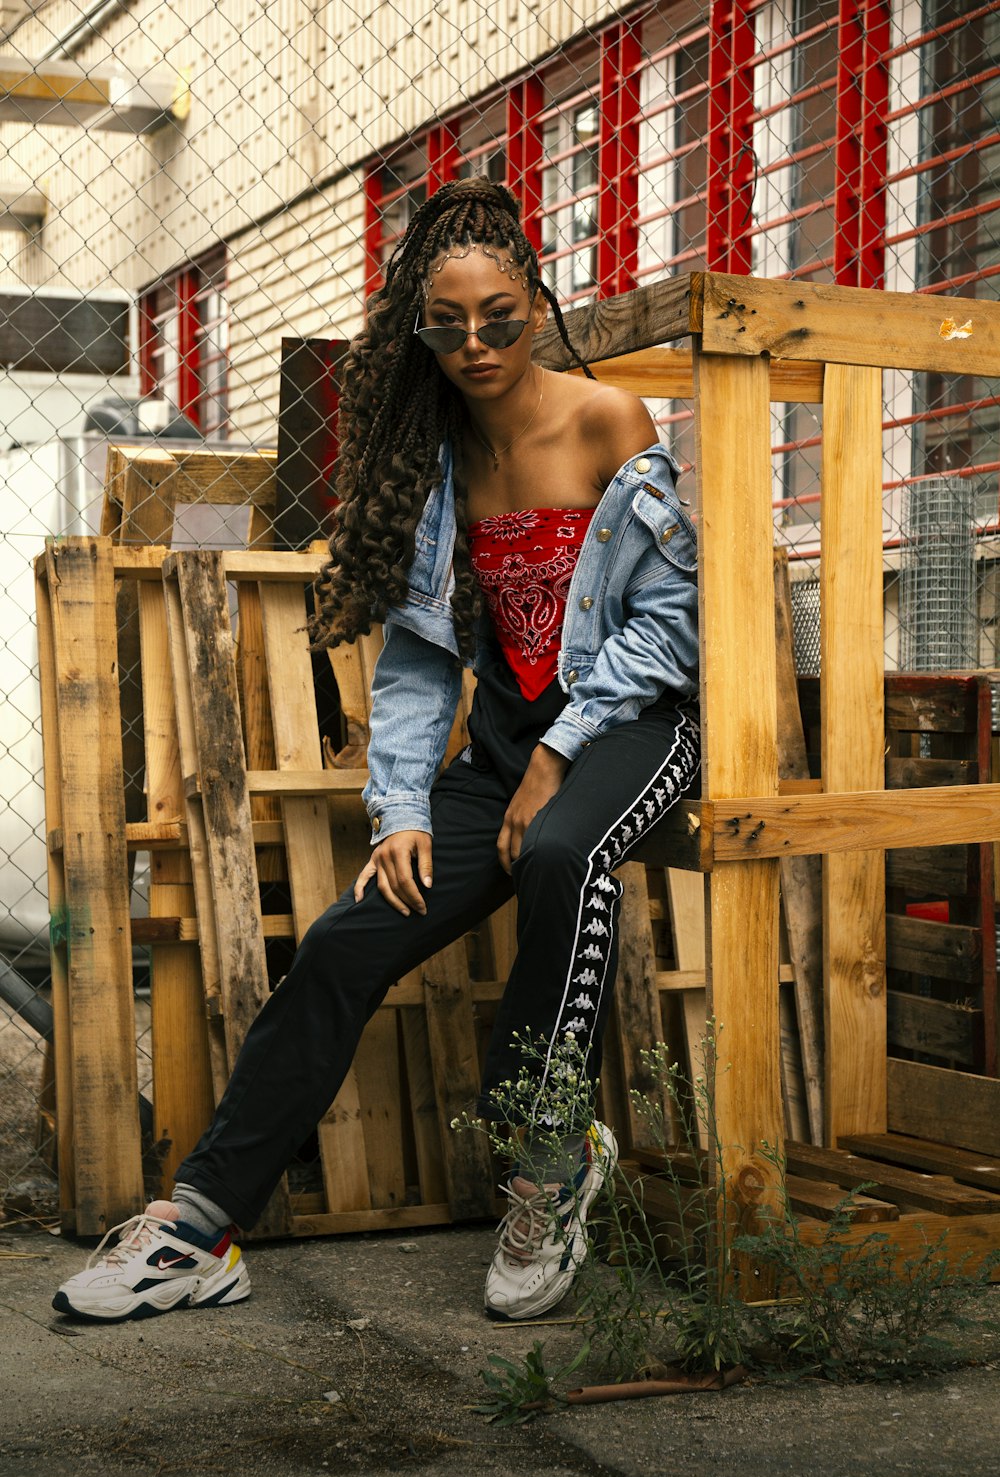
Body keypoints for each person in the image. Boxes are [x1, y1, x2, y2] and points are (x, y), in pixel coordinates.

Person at [53, 177, 699, 1326]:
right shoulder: (436, 460)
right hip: (502, 754)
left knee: (558, 856)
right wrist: (401, 809)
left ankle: (549, 1156)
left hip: (634, 729)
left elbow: (670, 622)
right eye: (445, 326)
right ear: (418, 330)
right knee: (348, 941)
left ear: (535, 300)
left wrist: (556, 753)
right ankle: (202, 1221)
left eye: (499, 316)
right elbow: (415, 661)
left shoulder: (609, 420)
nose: (476, 344)